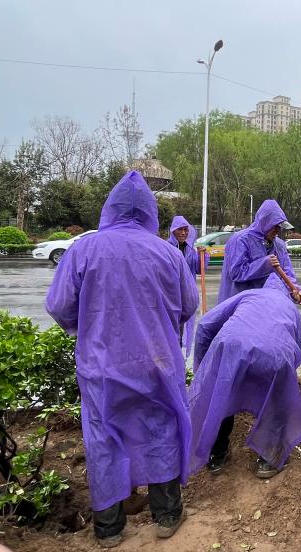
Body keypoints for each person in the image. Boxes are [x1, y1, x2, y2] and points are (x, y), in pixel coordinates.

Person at [45, 171, 198, 548]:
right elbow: (189, 305)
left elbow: (60, 306)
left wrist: (86, 326)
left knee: (104, 437)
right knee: (160, 430)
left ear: (108, 208)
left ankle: (109, 529)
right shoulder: (168, 253)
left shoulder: (82, 250)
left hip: (102, 365)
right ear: (150, 212)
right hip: (157, 363)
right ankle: (166, 516)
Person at [189, 273, 301, 479]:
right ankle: (269, 459)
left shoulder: (250, 295)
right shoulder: (290, 307)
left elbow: (204, 326)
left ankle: (217, 455)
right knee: (277, 399)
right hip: (275, 354)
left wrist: (204, 365)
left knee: (222, 394)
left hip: (231, 345)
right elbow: (295, 352)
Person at [217, 199, 300, 304]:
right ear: (265, 222)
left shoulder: (279, 245)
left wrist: (294, 290)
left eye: (280, 227)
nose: (278, 230)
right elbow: (236, 273)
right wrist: (265, 264)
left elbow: (286, 272)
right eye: (275, 226)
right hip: (240, 305)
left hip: (266, 305)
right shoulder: (240, 240)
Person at [167, 215, 201, 354]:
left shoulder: (191, 251)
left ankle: (178, 356)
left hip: (185, 296)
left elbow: (199, 269)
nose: (183, 233)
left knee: (181, 327)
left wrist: (202, 257)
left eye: (186, 230)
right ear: (173, 231)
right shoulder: (166, 248)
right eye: (180, 229)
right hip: (170, 295)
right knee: (170, 329)